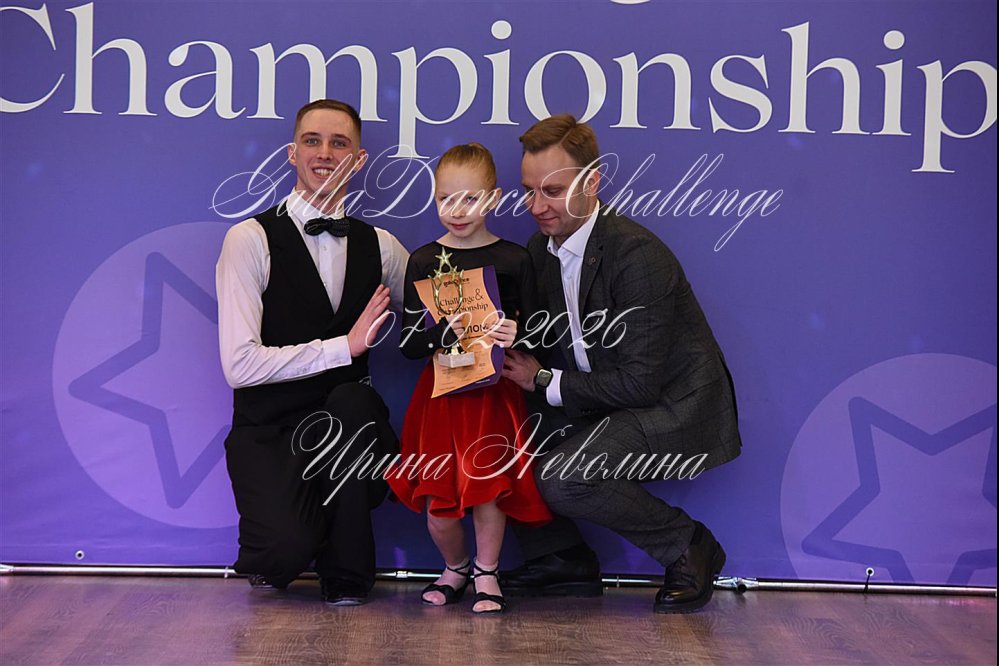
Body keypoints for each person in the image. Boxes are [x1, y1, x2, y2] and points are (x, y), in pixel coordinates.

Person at [501, 114, 742, 613]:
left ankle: (688, 545)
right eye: (528, 191)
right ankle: (562, 557)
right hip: (598, 394)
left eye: (552, 191)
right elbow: (543, 338)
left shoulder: (637, 255)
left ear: (592, 182)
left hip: (668, 405)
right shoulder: (539, 249)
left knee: (566, 476)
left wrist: (542, 379)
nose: (536, 206)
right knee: (495, 435)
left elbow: (639, 384)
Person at [215, 99, 408, 606]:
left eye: (339, 143)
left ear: (358, 160)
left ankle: (348, 572)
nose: (325, 153)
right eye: (312, 141)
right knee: (280, 555)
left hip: (349, 429)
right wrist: (344, 347)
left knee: (353, 402)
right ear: (292, 153)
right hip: (270, 430)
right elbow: (239, 365)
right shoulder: (249, 239)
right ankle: (303, 535)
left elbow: (442, 307)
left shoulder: (383, 246)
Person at [388, 143, 552, 614]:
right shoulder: (424, 260)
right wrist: (440, 334)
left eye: (470, 199)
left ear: (493, 199)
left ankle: (487, 572)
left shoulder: (515, 259)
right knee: (437, 500)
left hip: (493, 396)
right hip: (440, 397)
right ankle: (455, 567)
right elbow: (408, 344)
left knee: (488, 490)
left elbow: (543, 331)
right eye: (446, 199)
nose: (457, 211)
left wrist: (519, 333)